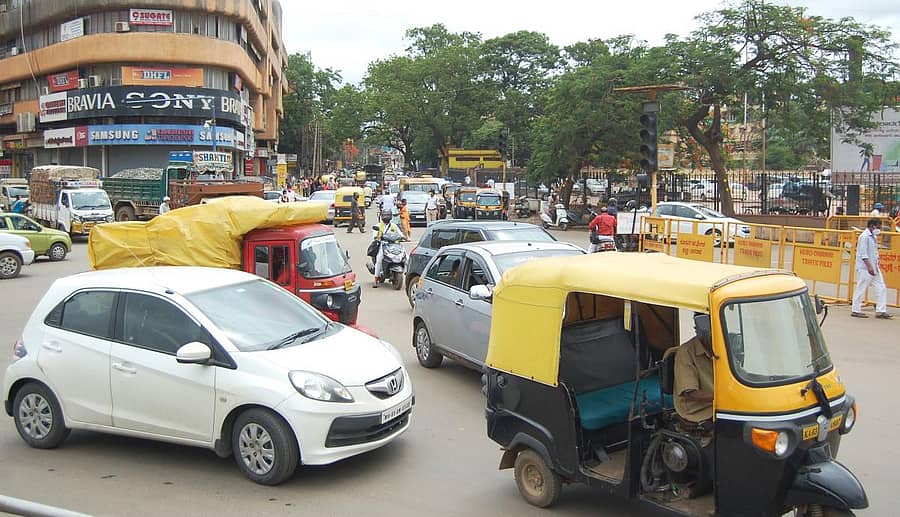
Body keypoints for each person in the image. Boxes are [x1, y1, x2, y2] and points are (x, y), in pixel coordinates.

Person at [674, 313, 715, 424]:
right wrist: (725, 398)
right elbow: (690, 393)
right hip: (699, 411)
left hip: (720, 405)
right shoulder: (685, 352)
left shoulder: (721, 347)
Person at [851, 218, 892, 319]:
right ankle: (856, 310)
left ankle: (880, 311)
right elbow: (863, 254)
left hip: (874, 267)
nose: (879, 229)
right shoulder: (864, 237)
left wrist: (874, 267)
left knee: (881, 287)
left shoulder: (873, 236)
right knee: (861, 288)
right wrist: (869, 267)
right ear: (872, 226)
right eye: (878, 226)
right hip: (865, 268)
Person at [372, 213, 403, 288]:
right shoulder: (378, 226)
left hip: (393, 245)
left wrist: (403, 237)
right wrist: (377, 238)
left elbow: (400, 234)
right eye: (385, 215)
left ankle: (407, 273)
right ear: (382, 217)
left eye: (388, 215)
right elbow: (374, 236)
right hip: (382, 245)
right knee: (379, 260)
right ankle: (376, 279)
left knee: (406, 258)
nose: (386, 217)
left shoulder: (394, 226)